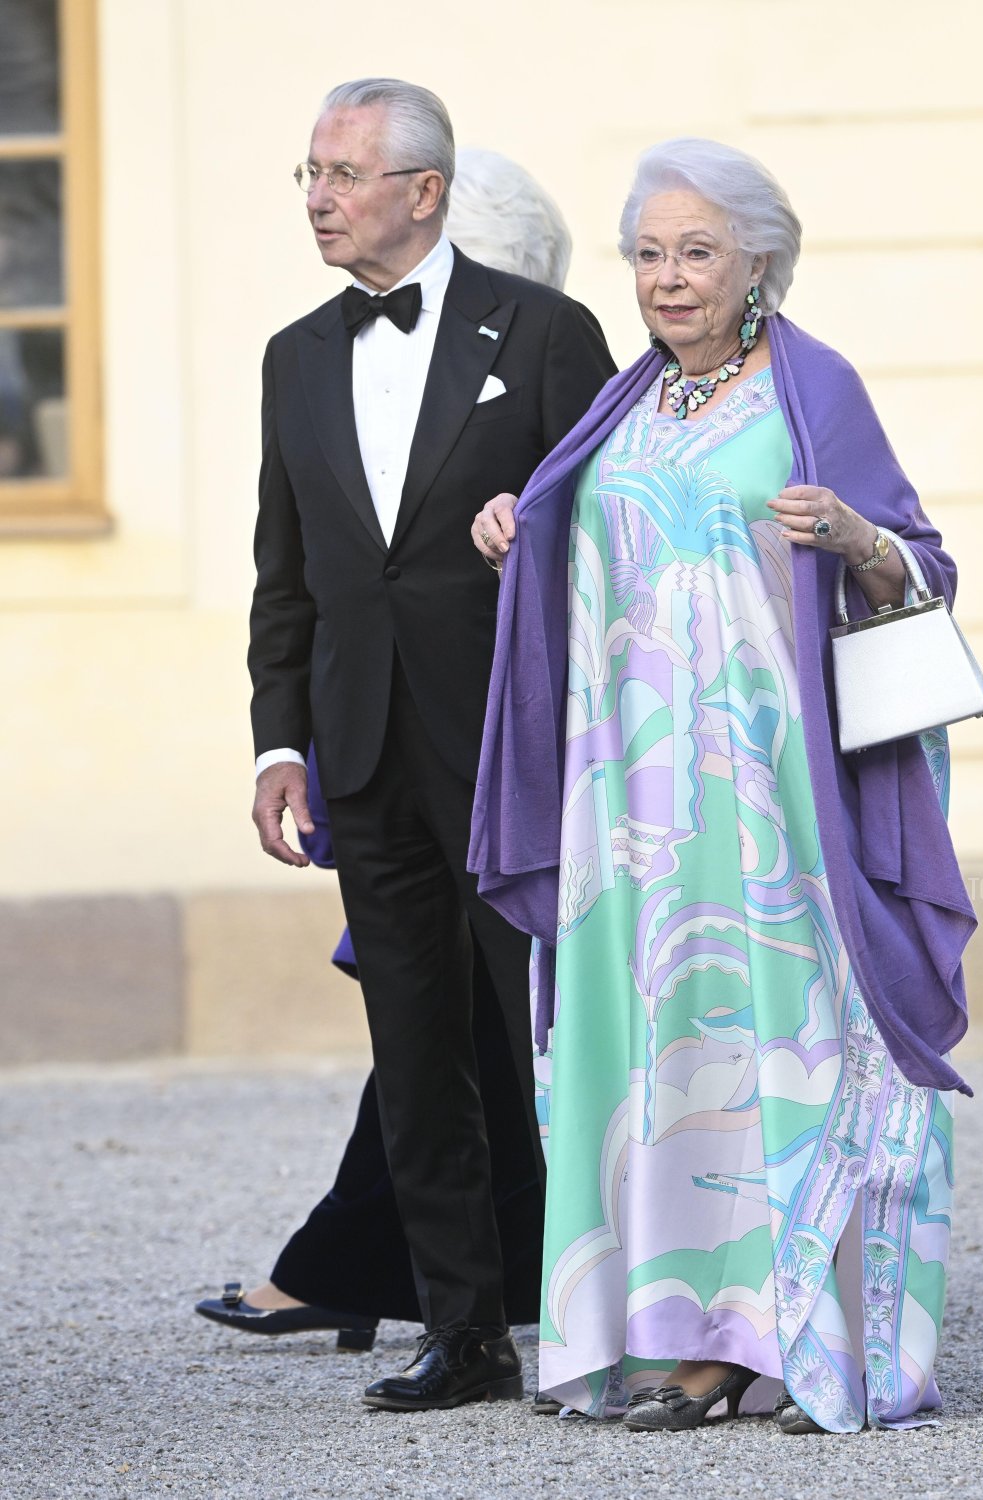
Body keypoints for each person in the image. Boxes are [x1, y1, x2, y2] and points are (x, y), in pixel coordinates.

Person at [469, 137, 977, 1434]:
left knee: (792, 1052)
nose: (668, 278)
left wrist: (855, 538)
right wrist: (515, 539)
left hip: (775, 812)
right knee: (664, 1059)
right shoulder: (626, 404)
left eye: (697, 252)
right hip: (635, 817)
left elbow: (922, 568)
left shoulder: (814, 392)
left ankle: (816, 1341)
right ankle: (691, 1342)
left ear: (757, 261)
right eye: (649, 253)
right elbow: (582, 569)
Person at [247, 80, 615, 1413]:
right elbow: (284, 576)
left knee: (577, 1032)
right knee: (417, 1047)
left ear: (427, 192)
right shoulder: (294, 357)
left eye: (344, 173)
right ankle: (465, 1331)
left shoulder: (550, 331)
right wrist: (274, 746)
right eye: (310, 173)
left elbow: (612, 528)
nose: (320, 197)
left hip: (522, 749)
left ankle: (616, 1305)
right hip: (362, 753)